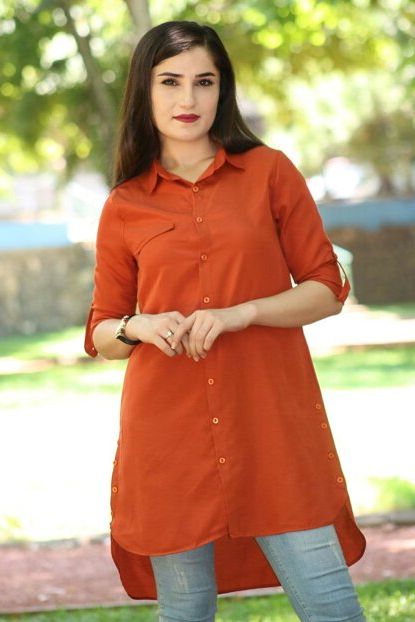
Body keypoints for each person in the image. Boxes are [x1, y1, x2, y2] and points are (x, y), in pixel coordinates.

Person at [84, 19, 367, 622]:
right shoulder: (125, 204)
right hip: (168, 434)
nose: (187, 98)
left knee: (332, 607)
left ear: (222, 90)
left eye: (204, 81)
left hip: (270, 423)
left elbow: (326, 288)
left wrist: (244, 313)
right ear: (145, 91)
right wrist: (138, 326)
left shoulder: (270, 172)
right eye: (170, 82)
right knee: (185, 609)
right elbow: (102, 330)